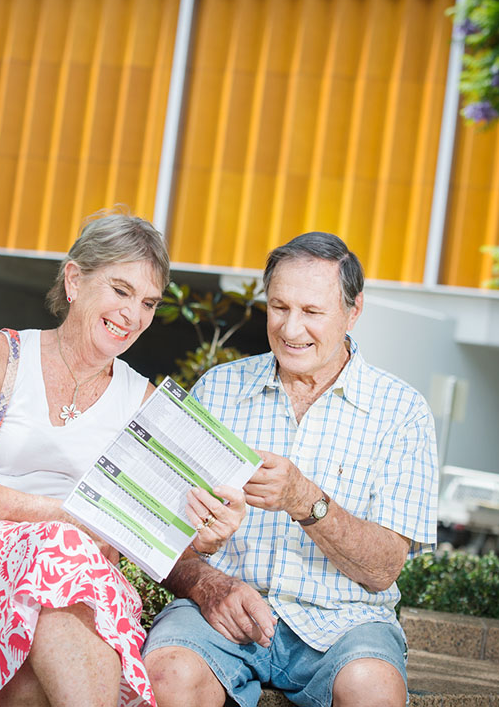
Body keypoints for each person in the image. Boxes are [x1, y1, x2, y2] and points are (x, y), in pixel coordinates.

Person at [0, 209, 246, 707]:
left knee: (34, 681)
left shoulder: (145, 403)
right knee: (60, 547)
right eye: (120, 290)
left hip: (85, 588)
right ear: (74, 279)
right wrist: (65, 519)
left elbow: (157, 530)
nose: (133, 315)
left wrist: (207, 534)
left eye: (148, 302)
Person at [142, 232, 438, 707]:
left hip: (348, 622)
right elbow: (156, 530)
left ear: (353, 311)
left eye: (312, 312)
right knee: (166, 674)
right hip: (223, 613)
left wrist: (306, 500)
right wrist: (207, 583)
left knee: (374, 689)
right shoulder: (219, 389)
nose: (289, 328)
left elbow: (384, 568)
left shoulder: (402, 412)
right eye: (278, 307)